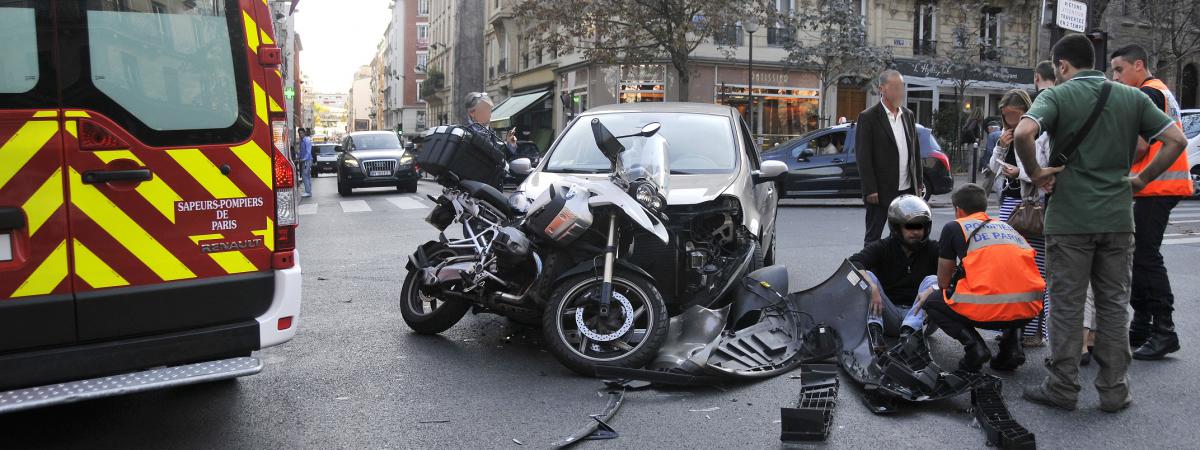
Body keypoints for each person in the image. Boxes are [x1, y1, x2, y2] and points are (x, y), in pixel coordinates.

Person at [1014, 33, 1188, 412]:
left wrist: (1037, 171)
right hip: (1117, 217)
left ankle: (1062, 386)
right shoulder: (1131, 96)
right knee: (1112, 305)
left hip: (1070, 219)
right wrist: (1141, 179)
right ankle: (1114, 390)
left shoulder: (1056, 96)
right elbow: (1176, 140)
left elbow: (1025, 133)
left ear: (1061, 66)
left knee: (1067, 305)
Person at [1110, 44, 1195, 360]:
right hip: (1159, 184)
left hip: (1155, 184)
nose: (1115, 77)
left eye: (1119, 69)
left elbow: (1141, 146)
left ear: (1138, 66)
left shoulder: (1147, 94)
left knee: (1145, 256)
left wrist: (1108, 167)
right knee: (1140, 255)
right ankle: (1144, 324)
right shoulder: (1161, 91)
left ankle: (1163, 329)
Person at [912, 184, 1044, 372]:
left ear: (958, 210)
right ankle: (1012, 347)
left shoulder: (954, 227)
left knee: (933, 300)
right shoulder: (1006, 226)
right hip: (1029, 308)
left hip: (988, 312)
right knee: (1012, 289)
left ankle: (975, 348)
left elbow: (942, 282)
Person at [988, 89, 1052, 347]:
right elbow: (992, 169)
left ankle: (1035, 331)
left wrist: (1019, 175)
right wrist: (1001, 148)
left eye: (1014, 115)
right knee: (1010, 269)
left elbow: (1042, 172)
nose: (1010, 120)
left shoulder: (1038, 134)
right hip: (1008, 204)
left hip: (1032, 206)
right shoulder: (1006, 136)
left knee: (1036, 270)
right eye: (1006, 116)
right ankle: (1011, 327)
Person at [849, 195, 939, 337]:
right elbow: (852, 264)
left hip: (922, 317)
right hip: (888, 314)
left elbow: (954, 276)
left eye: (920, 226)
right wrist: (871, 287)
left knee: (934, 280)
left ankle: (910, 334)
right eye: (910, 227)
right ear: (897, 228)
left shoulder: (934, 248)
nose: (915, 232)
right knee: (867, 277)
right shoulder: (883, 247)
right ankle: (875, 334)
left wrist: (935, 290)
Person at [855, 70, 924, 245]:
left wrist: (918, 185)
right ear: (882, 89)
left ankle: (901, 271)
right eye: (895, 88)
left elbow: (915, 152)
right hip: (880, 191)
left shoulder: (908, 115)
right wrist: (870, 188)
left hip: (906, 190)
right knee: (873, 237)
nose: (899, 92)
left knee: (905, 237)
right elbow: (863, 156)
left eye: (901, 87)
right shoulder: (868, 117)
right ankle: (869, 271)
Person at [463, 92, 518, 161]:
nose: (489, 113)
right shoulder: (466, 135)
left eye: (489, 109)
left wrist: (510, 144)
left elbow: (501, 158)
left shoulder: (490, 132)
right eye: (484, 109)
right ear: (472, 113)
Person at [298, 128, 313, 198]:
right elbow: (302, 151)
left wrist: (303, 159)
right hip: (305, 160)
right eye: (299, 133)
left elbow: (308, 152)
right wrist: (299, 157)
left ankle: (308, 192)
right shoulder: (302, 141)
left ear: (304, 133)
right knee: (307, 176)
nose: (300, 135)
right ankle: (309, 191)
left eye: (301, 133)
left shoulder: (306, 140)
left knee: (304, 175)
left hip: (307, 161)